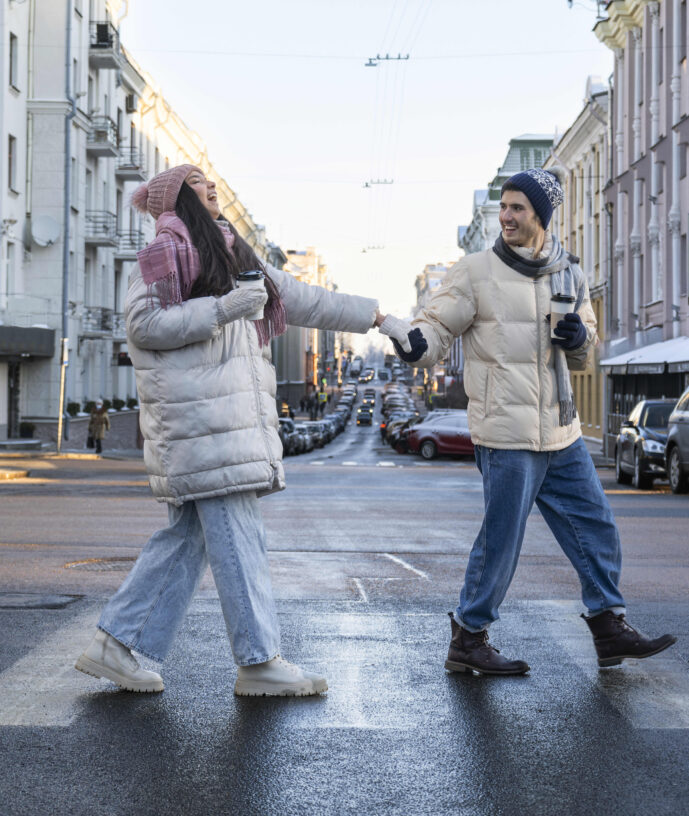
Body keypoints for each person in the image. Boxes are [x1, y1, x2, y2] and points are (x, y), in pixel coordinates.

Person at [74, 164, 408, 698]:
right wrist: (224, 308)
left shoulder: (235, 256)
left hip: (218, 424)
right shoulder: (165, 251)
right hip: (202, 423)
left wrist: (381, 320)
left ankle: (115, 645)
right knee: (239, 536)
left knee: (186, 541)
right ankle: (259, 661)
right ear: (175, 199)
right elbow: (144, 325)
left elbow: (306, 298)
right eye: (196, 181)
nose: (210, 185)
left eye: (209, 179)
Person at [389, 167, 677, 675]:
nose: (506, 216)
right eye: (503, 206)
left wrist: (580, 340)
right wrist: (415, 344)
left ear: (541, 216)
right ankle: (469, 637)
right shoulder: (475, 271)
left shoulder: (570, 272)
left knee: (596, 526)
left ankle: (608, 626)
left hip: (562, 430)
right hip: (506, 431)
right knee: (502, 540)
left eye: (517, 208)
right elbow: (435, 327)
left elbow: (585, 350)